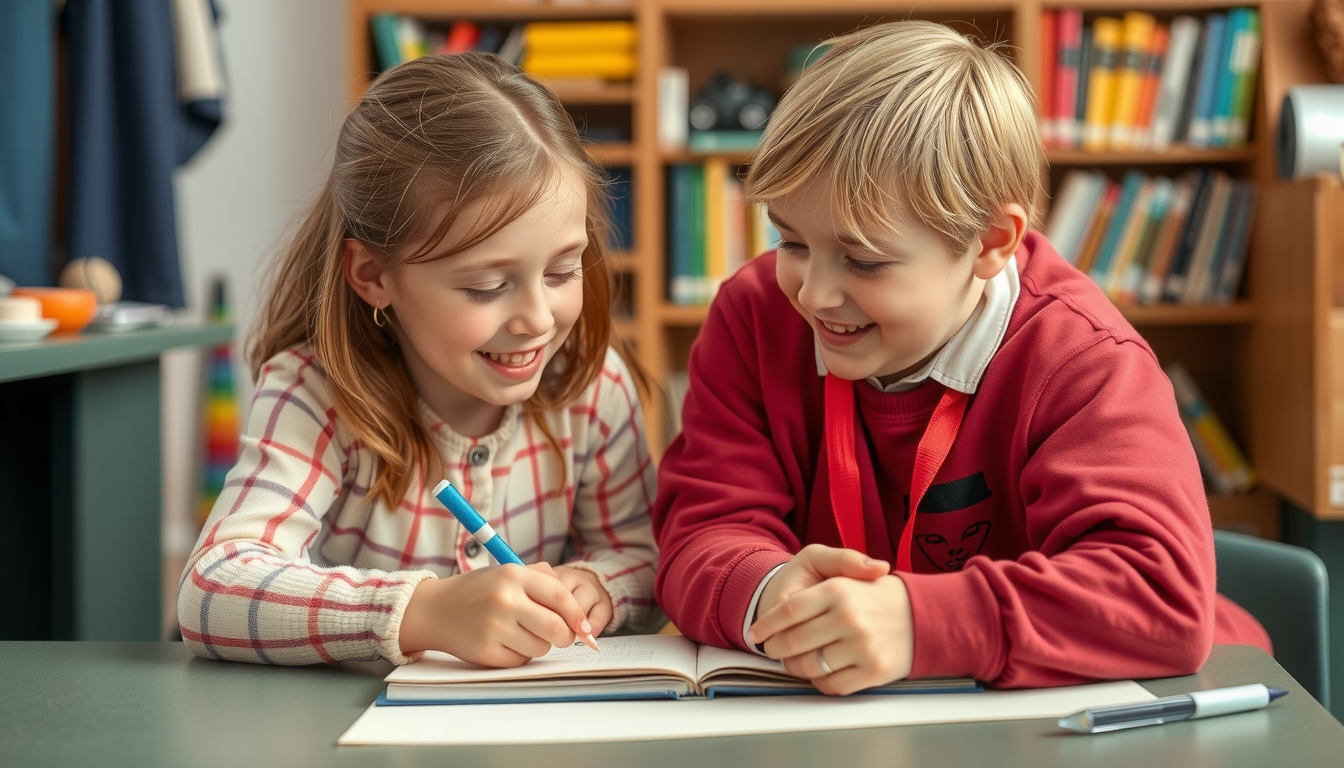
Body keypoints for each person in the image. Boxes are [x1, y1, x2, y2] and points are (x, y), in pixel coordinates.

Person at [652, 20, 1269, 695]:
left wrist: (922, 624)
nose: (815, 292)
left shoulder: (1083, 359)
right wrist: (767, 590)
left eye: (862, 259)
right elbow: (701, 533)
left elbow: (1161, 597)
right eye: (791, 242)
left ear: (988, 243)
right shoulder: (753, 316)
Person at [179, 52, 660, 668]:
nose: (538, 319)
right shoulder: (315, 393)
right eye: (486, 287)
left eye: (564, 270)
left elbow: (646, 558)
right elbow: (214, 586)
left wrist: (596, 588)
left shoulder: (592, 384)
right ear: (373, 275)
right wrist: (423, 612)